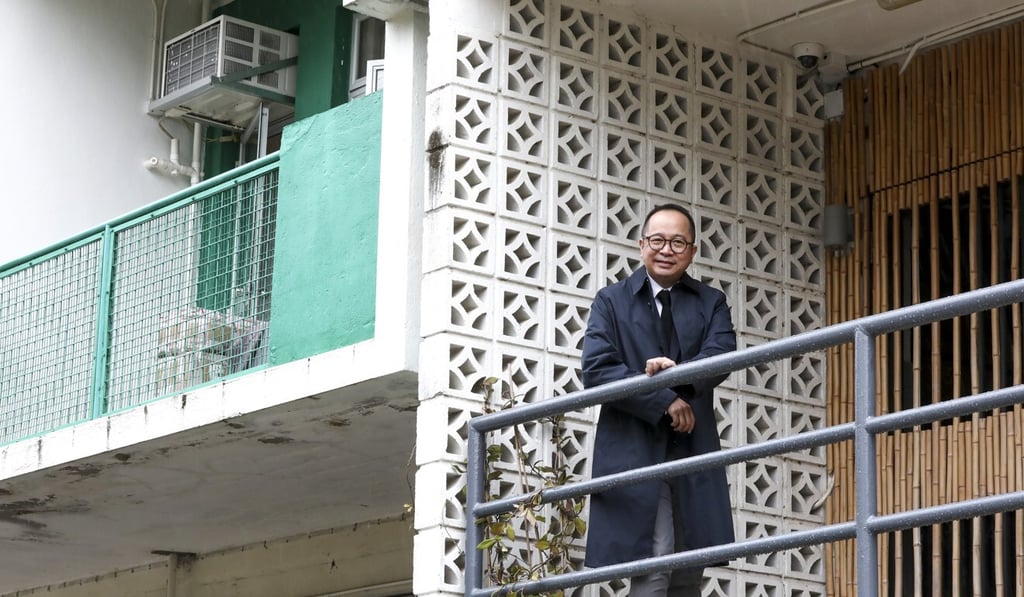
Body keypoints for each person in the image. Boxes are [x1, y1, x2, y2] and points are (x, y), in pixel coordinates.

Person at [581, 203, 736, 596]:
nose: (666, 249)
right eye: (657, 240)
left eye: (678, 242)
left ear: (693, 251)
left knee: (689, 568)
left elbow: (721, 355)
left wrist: (676, 384)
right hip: (635, 446)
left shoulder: (710, 301)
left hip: (691, 446)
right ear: (641, 245)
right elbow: (597, 368)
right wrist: (663, 399)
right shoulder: (611, 301)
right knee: (654, 565)